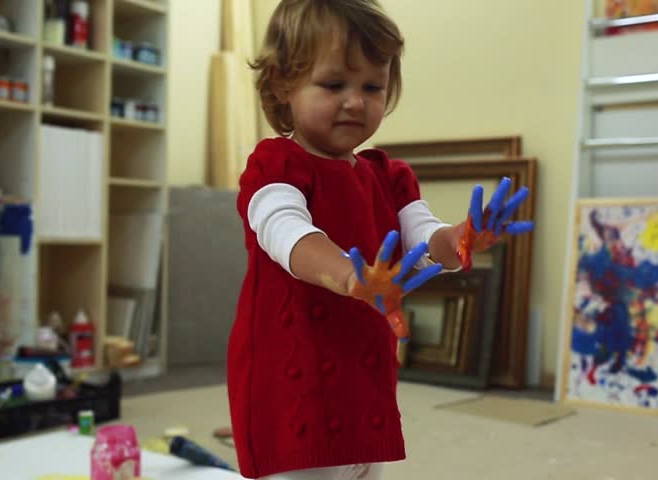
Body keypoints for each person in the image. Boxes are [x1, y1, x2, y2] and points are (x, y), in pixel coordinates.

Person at [227, 1, 534, 478]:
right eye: (334, 85)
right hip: (292, 373)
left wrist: (463, 238)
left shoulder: (388, 177)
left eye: (373, 86)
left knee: (363, 464)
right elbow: (285, 232)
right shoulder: (275, 166)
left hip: (363, 370)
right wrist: (349, 274)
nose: (356, 101)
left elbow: (427, 238)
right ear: (282, 83)